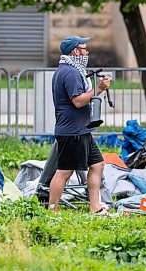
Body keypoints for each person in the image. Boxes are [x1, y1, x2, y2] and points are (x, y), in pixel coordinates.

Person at [47, 35, 111, 214]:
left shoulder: (69, 70)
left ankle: (95, 207)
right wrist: (98, 90)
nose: (87, 51)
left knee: (97, 164)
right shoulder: (71, 73)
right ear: (76, 51)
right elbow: (77, 101)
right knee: (64, 172)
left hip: (81, 130)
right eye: (84, 48)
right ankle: (52, 211)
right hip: (72, 131)